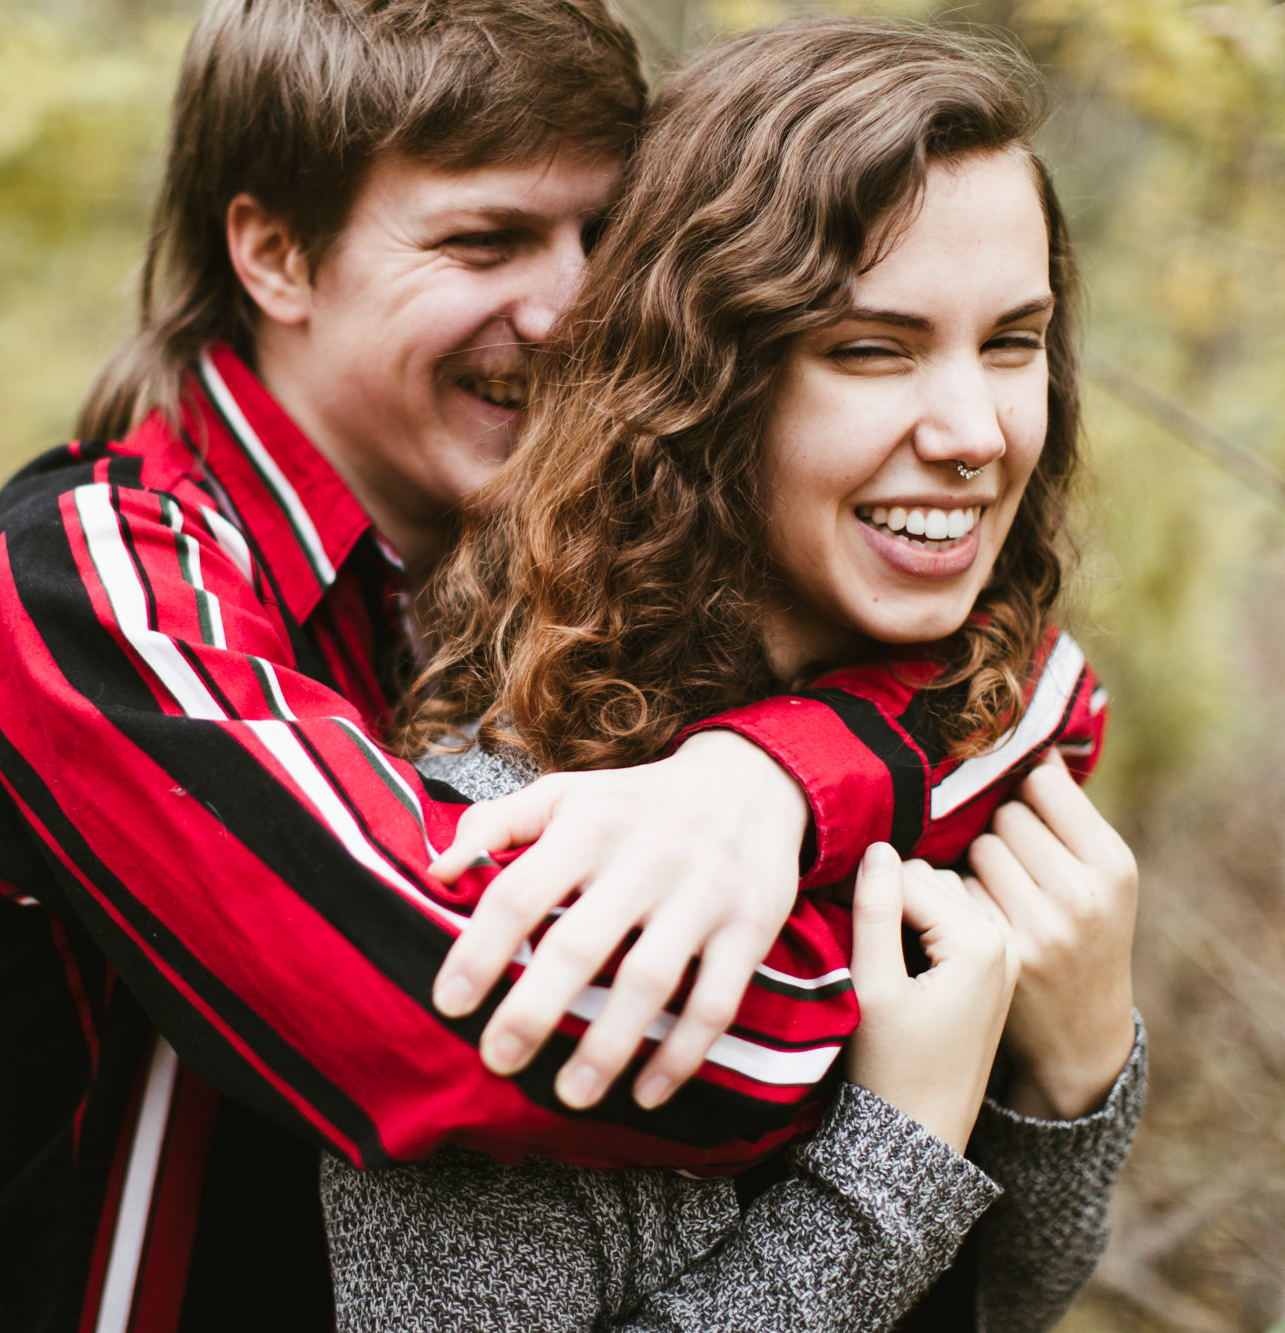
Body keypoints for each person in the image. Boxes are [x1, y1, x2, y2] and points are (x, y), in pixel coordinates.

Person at [0, 4, 1116, 1330]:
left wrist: (773, 781)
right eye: (484, 241)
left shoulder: (604, 577)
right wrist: (906, 1058)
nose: (566, 310)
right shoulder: (98, 581)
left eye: (602, 238)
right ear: (272, 250)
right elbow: (465, 1020)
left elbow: (1027, 678)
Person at [320, 19, 1144, 1331]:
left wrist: (1079, 1069)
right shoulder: (524, 867)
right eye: (871, 348)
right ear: (702, 379)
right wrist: (891, 1162)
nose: (977, 434)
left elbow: (1005, 1299)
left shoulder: (974, 731)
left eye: (1012, 341)